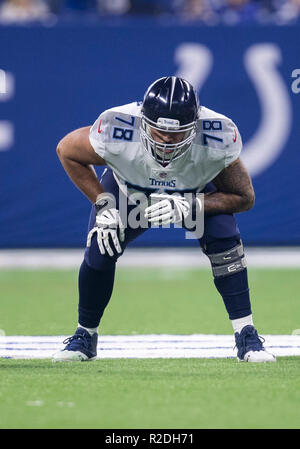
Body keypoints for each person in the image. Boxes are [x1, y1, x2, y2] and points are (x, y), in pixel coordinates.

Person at [52, 76, 276, 363]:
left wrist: (192, 204)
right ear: (143, 121)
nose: (167, 140)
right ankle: (85, 336)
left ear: (195, 127)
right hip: (128, 192)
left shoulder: (216, 135)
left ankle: (247, 335)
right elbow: (67, 151)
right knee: (101, 246)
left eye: (178, 133)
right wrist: (103, 203)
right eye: (158, 131)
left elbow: (244, 198)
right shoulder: (117, 126)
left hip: (191, 192)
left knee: (225, 239)